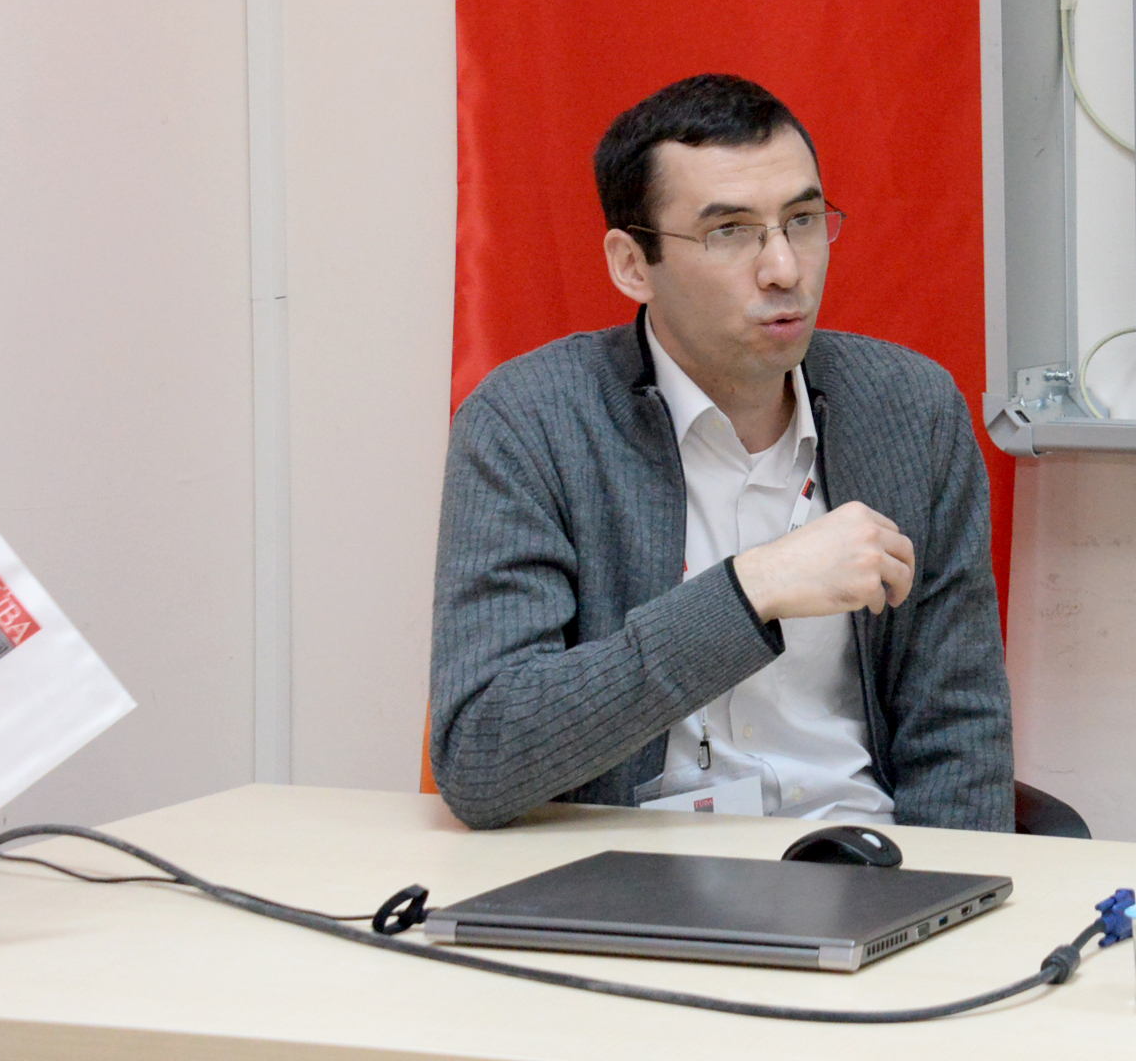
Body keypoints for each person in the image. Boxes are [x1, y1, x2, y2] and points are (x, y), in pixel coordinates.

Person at [430, 74, 1010, 830]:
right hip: (632, 874)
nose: (785, 269)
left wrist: (945, 890)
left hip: (864, 859)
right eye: (730, 232)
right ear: (631, 264)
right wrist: (751, 589)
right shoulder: (529, 423)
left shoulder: (911, 411)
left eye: (803, 220)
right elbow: (481, 755)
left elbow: (960, 733)